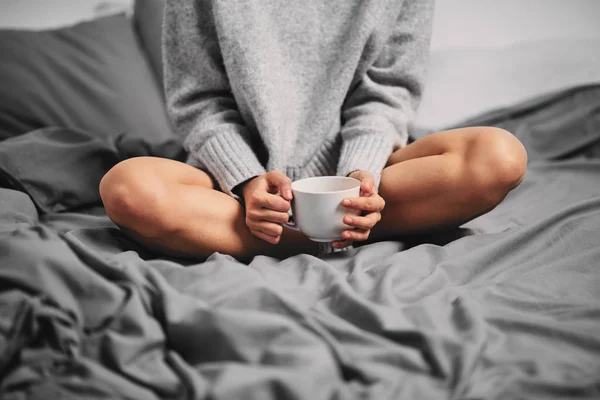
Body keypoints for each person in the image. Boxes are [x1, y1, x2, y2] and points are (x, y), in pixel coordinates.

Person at [99, 0, 527, 261]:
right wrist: (246, 179)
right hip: (232, 184)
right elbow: (198, 99)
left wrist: (361, 176)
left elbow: (388, 92)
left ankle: (326, 229)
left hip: (362, 168)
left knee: (499, 156)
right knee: (127, 187)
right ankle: (317, 241)